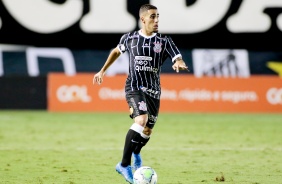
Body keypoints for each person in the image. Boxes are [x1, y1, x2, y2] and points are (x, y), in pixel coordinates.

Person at [93, 4, 189, 184]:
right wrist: (102, 70)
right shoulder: (130, 38)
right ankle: (123, 164)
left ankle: (136, 152)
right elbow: (116, 51)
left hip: (154, 91)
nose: (157, 20)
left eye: (158, 16)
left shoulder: (164, 41)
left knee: (147, 130)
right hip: (134, 87)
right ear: (143, 19)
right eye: (153, 17)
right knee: (141, 120)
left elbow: (178, 57)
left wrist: (178, 63)